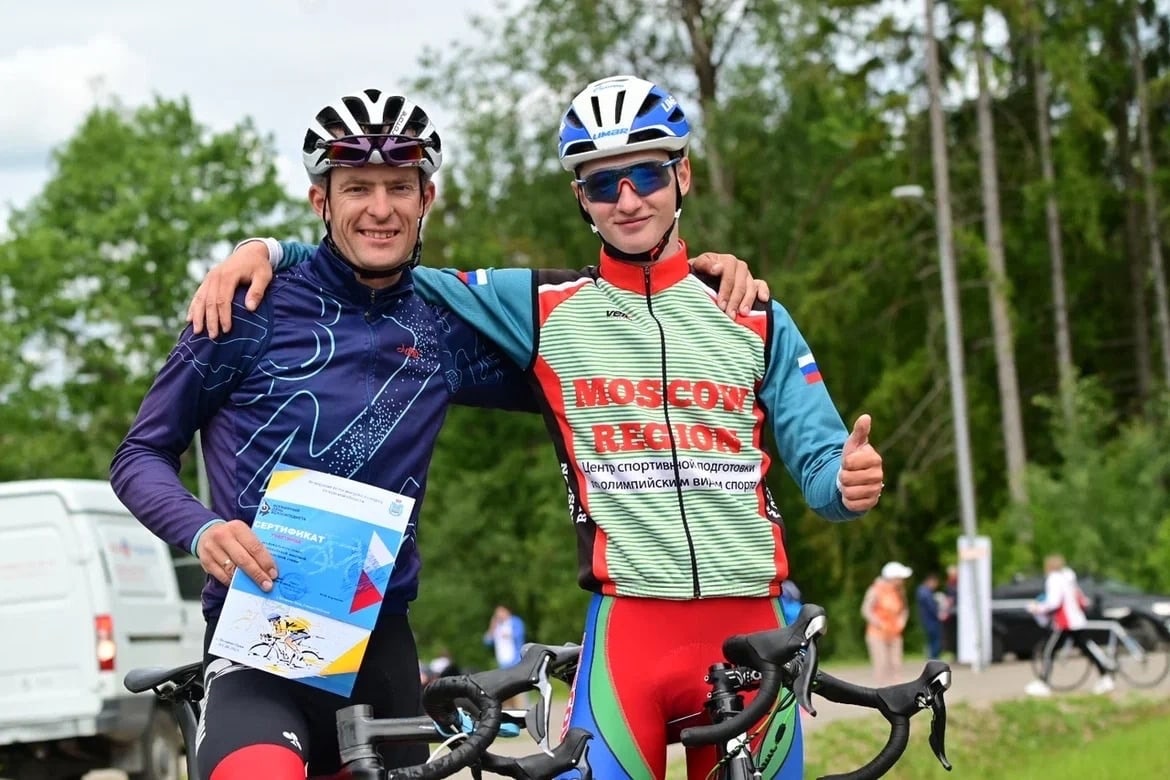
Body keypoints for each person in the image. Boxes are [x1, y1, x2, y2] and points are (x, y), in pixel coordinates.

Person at [188, 75, 886, 780]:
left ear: (683, 176)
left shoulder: (754, 314)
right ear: (580, 197)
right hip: (630, 643)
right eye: (602, 183)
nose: (628, 198)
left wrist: (845, 480)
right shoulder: (542, 305)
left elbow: (823, 469)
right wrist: (271, 251)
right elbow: (377, 259)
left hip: (751, 637)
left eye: (646, 173)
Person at [109, 88, 554, 780]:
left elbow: (596, 340)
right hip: (259, 641)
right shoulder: (246, 305)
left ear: (426, 198)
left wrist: (699, 279)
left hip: (382, 649)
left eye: (398, 187)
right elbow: (139, 454)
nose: (380, 208)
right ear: (321, 201)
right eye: (358, 188)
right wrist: (202, 531)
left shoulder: (444, 322)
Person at [1024, 554, 1115, 696]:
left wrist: (1037, 608)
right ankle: (1105, 676)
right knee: (1087, 649)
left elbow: (1054, 602)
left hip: (1064, 622)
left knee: (1049, 650)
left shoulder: (1054, 579)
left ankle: (1044, 683)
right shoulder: (1068, 577)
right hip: (1076, 619)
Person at [862, 561, 911, 685]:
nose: (902, 580)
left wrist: (902, 621)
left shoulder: (899, 591)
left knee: (896, 664)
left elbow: (904, 609)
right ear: (892, 578)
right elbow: (866, 609)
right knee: (881, 664)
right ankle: (882, 693)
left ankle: (897, 691)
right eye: (900, 578)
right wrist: (877, 622)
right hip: (877, 633)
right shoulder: (875, 590)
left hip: (895, 633)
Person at [484, 605, 528, 708]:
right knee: (506, 692)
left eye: (500, 612)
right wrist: (492, 627)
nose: (498, 615)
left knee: (519, 691)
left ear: (507, 611)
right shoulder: (497, 626)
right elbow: (487, 641)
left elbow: (519, 634)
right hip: (503, 664)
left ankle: (524, 713)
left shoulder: (515, 622)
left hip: (516, 662)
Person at [915, 572, 943, 660]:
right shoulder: (925, 592)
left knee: (931, 639)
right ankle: (934, 657)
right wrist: (938, 613)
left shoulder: (922, 591)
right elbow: (931, 606)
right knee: (935, 639)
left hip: (927, 620)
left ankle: (932, 656)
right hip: (931, 620)